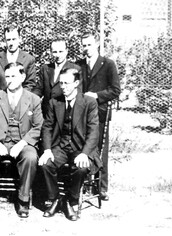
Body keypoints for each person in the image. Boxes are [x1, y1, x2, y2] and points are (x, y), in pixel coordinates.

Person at [0, 62, 43, 218]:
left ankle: (23, 200)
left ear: (23, 77)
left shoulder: (33, 99)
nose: (9, 80)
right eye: (7, 76)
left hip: (22, 142)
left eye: (14, 76)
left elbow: (38, 127)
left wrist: (22, 143)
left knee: (31, 157)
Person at [38, 68, 101, 221]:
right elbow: (47, 127)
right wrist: (47, 150)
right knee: (46, 164)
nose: (63, 87)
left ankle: (70, 200)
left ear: (77, 83)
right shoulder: (55, 102)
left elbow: (94, 132)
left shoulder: (89, 102)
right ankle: (55, 199)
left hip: (81, 148)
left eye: (67, 83)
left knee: (81, 168)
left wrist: (85, 153)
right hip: (61, 147)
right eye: (61, 83)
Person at [76, 32, 121, 201]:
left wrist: (96, 96)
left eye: (89, 45)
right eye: (83, 45)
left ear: (96, 45)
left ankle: (102, 187)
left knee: (101, 151)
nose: (86, 48)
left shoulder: (108, 64)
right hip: (82, 114)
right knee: (84, 147)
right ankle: (84, 184)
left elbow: (115, 90)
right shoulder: (78, 65)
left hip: (101, 113)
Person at [32, 37, 81, 117]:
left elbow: (78, 93)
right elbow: (39, 89)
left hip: (64, 113)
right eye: (55, 52)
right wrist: (30, 99)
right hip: (47, 113)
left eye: (61, 51)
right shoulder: (45, 68)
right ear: (51, 52)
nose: (58, 55)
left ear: (66, 51)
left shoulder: (75, 69)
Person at [0, 24, 36, 94]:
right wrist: (2, 97)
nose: (11, 43)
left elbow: (30, 83)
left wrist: (18, 98)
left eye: (14, 39)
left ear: (19, 39)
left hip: (21, 102)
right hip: (1, 101)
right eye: (8, 40)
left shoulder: (29, 59)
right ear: (5, 41)